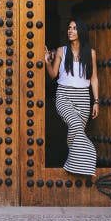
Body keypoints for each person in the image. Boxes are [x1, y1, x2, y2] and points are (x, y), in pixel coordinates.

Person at [44, 18, 99, 176]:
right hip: (64, 96)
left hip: (83, 98)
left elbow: (94, 78)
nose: (70, 31)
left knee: (74, 132)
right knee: (75, 125)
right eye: (69, 28)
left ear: (81, 31)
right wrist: (47, 62)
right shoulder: (62, 51)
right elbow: (53, 75)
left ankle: (74, 165)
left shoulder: (91, 53)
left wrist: (96, 102)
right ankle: (90, 154)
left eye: (74, 28)